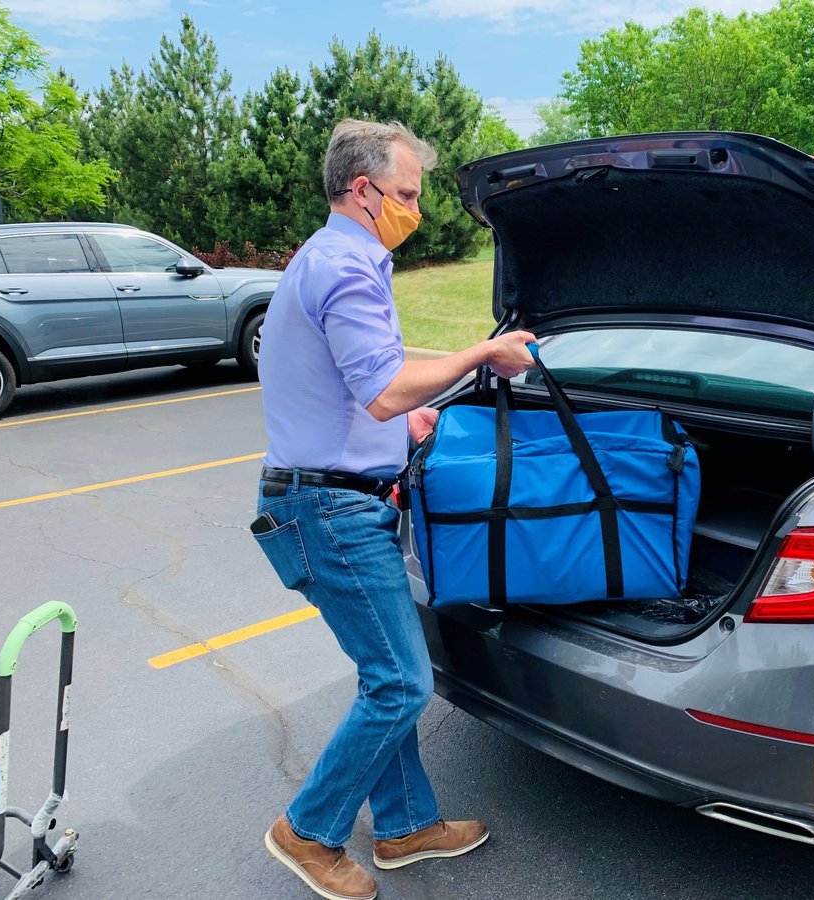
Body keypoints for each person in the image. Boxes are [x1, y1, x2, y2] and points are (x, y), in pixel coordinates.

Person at [252, 118, 536, 900]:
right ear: (362, 188)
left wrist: (404, 420)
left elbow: (359, 384)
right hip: (329, 515)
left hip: (325, 501)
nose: (415, 208)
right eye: (406, 194)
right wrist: (481, 353)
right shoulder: (345, 265)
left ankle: (407, 825)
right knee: (402, 684)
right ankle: (308, 832)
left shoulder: (335, 258)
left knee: (388, 671)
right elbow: (381, 388)